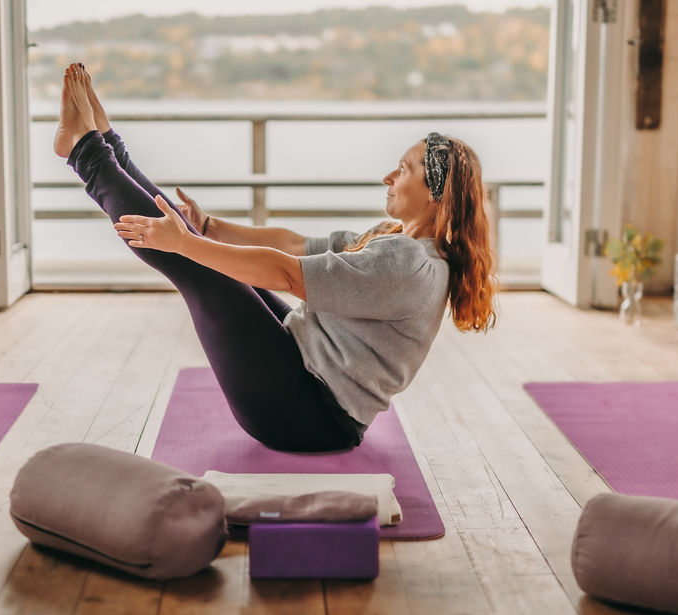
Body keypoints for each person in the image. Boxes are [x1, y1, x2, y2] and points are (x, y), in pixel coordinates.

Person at [53, 63, 497, 453]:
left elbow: (286, 274)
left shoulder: (408, 264)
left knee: (201, 267)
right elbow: (293, 245)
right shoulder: (395, 240)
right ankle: (106, 146)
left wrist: (189, 245)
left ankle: (87, 152)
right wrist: (207, 228)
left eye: (404, 170)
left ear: (438, 197)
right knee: (204, 254)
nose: (389, 176)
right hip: (305, 388)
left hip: (304, 414)